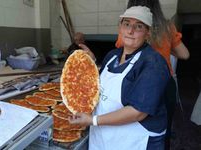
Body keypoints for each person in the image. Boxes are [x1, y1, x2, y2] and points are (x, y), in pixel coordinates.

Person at [69, 6, 170, 150]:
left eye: (139, 26)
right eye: (126, 24)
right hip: (104, 135)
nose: (130, 31)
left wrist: (93, 120)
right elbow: (103, 84)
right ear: (120, 28)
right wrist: (91, 63)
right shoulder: (112, 55)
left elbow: (138, 112)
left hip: (135, 139)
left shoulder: (153, 63)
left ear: (148, 33)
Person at [116, 1, 190, 149]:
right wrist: (167, 47)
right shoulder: (167, 26)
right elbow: (185, 54)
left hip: (137, 84)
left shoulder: (129, 28)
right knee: (163, 128)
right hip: (165, 84)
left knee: (134, 126)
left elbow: (122, 51)